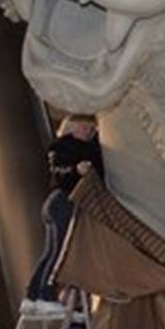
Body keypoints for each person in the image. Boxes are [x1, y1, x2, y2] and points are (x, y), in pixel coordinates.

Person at [21, 114, 104, 315]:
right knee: (60, 252)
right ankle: (46, 295)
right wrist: (77, 170)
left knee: (50, 251)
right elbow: (63, 171)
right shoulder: (71, 147)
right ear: (73, 128)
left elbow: (58, 169)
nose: (89, 132)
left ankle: (32, 297)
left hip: (55, 202)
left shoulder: (59, 147)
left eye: (91, 129)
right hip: (65, 202)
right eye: (86, 128)